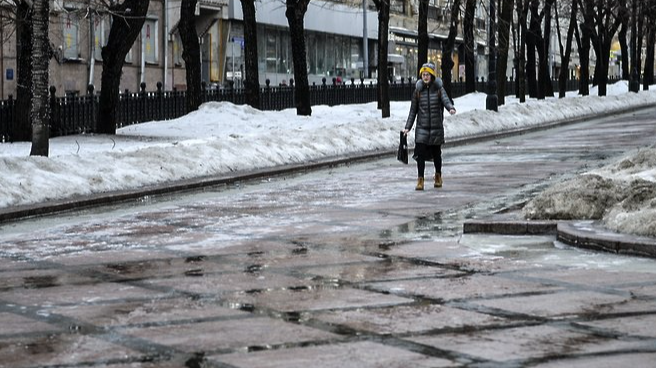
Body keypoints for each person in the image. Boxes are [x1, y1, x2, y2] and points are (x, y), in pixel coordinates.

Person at [403, 62, 456, 191]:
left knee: (437, 154)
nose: (425, 77)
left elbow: (445, 100)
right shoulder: (418, 91)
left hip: (436, 127)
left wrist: (450, 108)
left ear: (432, 76)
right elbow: (413, 111)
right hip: (422, 128)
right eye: (423, 74)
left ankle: (438, 176)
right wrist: (407, 127)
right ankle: (420, 179)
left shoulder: (438, 89)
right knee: (420, 155)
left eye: (427, 74)